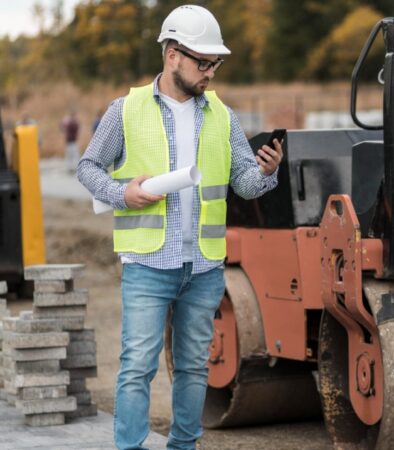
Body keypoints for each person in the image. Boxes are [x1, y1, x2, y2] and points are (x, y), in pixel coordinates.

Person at [76, 5, 283, 449]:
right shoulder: (125, 110)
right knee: (137, 366)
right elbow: (88, 167)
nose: (210, 72)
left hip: (204, 267)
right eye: (203, 62)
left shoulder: (223, 116)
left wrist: (266, 172)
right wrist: (121, 193)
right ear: (172, 54)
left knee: (193, 366)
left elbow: (244, 185)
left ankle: (183, 446)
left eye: (216, 64)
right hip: (148, 263)